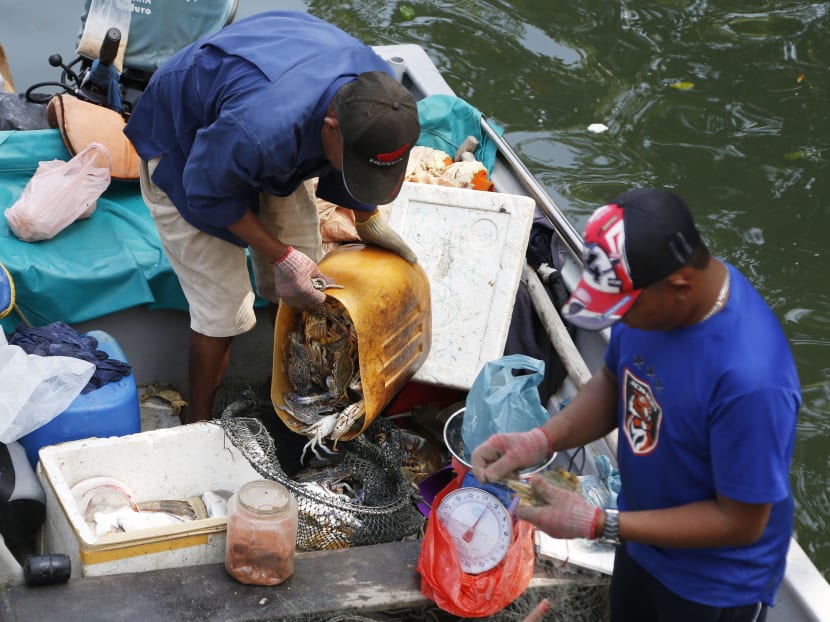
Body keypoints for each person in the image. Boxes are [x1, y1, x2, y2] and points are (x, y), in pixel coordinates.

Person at [471, 189, 800, 621]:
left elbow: (741, 522)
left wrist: (599, 524)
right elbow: (615, 381)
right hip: (639, 539)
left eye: (623, 310)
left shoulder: (752, 381)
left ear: (679, 287)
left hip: (712, 582)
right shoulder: (656, 302)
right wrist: (540, 439)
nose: (618, 322)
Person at [123, 11, 420, 424]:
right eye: (354, 165)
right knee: (223, 311)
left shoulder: (380, 95)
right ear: (331, 129)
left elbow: (352, 167)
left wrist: (367, 219)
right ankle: (198, 421)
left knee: (311, 275)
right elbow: (205, 192)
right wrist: (280, 256)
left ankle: (296, 390)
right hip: (187, 147)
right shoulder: (260, 129)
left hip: (259, 128)